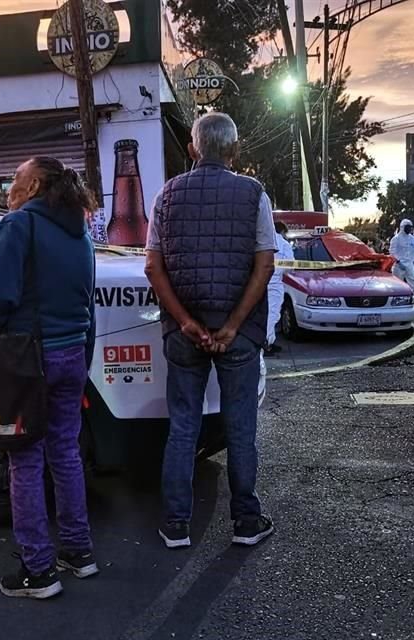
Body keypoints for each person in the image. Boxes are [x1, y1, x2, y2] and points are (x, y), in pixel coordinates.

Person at [145, 112, 276, 550]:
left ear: (192, 149)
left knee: (183, 426)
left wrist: (183, 320)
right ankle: (245, 522)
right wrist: (236, 324)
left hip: (184, 334)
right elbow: (265, 265)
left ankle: (176, 524)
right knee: (240, 428)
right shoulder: (254, 194)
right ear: (234, 151)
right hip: (238, 334)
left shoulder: (166, 195)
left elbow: (152, 266)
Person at [0, 156, 97, 600]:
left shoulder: (18, 225)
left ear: (33, 186)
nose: (9, 185)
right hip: (72, 355)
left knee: (24, 459)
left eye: (15, 178)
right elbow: (88, 302)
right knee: (65, 452)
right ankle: (79, 552)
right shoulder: (80, 232)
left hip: (30, 357)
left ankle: (38, 569)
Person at [264, 221, 295, 357]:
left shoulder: (263, 239)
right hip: (274, 284)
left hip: (258, 283)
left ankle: (264, 341)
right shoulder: (284, 244)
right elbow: (290, 268)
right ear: (282, 231)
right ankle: (266, 343)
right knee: (272, 315)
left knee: (259, 314)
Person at [389, 218, 414, 312]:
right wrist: (398, 262)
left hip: (410, 263)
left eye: (410, 227)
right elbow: (392, 252)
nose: (409, 229)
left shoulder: (411, 238)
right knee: (397, 285)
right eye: (407, 227)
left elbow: (413, 250)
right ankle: (394, 304)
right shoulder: (396, 239)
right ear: (402, 227)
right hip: (398, 265)